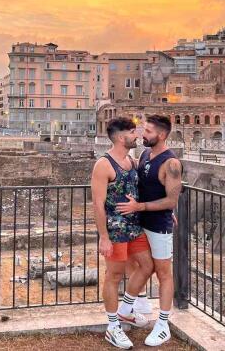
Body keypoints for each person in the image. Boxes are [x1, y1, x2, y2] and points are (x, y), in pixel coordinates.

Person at [116, 114, 182, 347]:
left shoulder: (171, 163)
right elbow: (146, 183)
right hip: (141, 220)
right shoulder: (146, 154)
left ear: (162, 135)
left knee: (164, 273)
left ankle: (163, 325)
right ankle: (127, 308)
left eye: (149, 131)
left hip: (158, 226)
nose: (144, 134)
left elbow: (171, 200)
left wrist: (141, 206)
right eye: (144, 130)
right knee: (142, 265)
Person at [91, 117, 154, 349]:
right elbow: (97, 204)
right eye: (131, 132)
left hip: (136, 227)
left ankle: (126, 310)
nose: (135, 135)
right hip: (116, 230)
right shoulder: (103, 165)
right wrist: (104, 237)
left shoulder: (131, 160)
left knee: (148, 266)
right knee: (114, 276)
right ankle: (112, 326)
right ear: (120, 137)